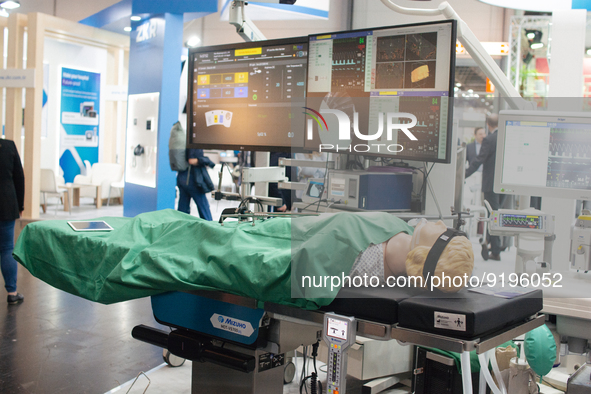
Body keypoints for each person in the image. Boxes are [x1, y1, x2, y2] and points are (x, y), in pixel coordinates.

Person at [465, 114, 505, 261]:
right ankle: (492, 244)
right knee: (498, 213)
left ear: (488, 125)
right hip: (505, 184)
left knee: (492, 215)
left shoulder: (489, 140)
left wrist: (462, 175)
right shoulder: (506, 137)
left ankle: (495, 250)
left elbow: (478, 161)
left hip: (491, 184)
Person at [0, 139, 25, 304]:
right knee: (7, 247)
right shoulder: (8, 146)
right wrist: (20, 204)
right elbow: (19, 177)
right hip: (6, 203)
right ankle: (12, 292)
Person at [177, 149, 215, 221]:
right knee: (204, 208)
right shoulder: (195, 143)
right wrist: (207, 160)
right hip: (192, 180)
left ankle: (180, 228)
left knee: (183, 210)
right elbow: (192, 160)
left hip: (182, 178)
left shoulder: (185, 142)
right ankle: (210, 229)